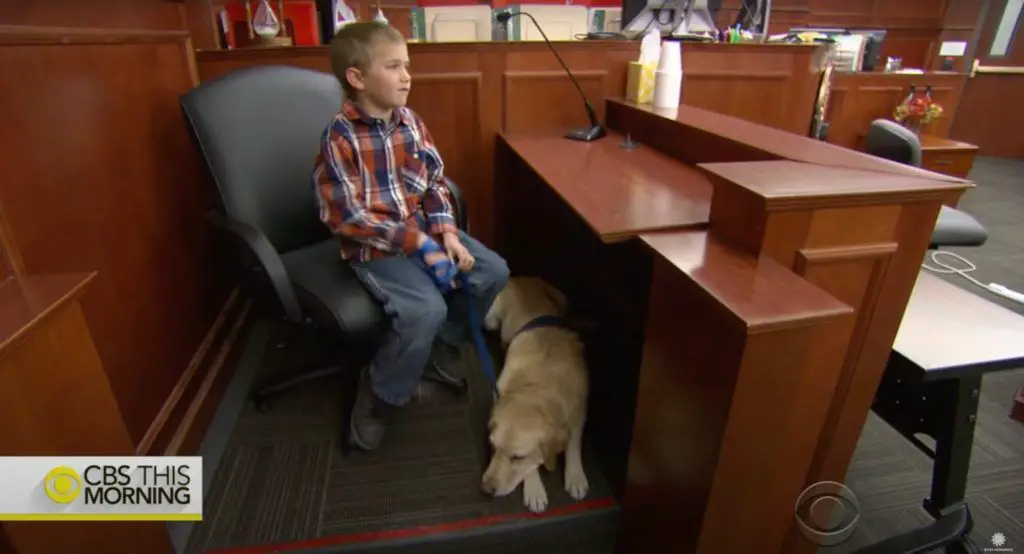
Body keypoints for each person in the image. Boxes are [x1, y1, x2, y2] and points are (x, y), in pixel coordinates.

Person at [312, 22, 510, 451]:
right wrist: (416, 242)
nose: (407, 76)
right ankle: (381, 390)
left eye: (408, 66)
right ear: (357, 78)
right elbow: (343, 216)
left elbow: (436, 183)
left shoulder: (411, 122)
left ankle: (431, 347)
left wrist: (447, 233)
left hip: (423, 232)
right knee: (423, 309)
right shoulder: (339, 137)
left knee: (493, 271)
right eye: (394, 66)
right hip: (374, 246)